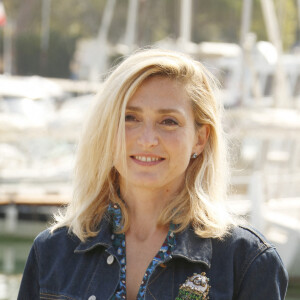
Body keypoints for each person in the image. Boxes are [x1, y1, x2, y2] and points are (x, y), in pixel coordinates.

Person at [18, 49, 288, 300]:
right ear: (107, 130)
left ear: (200, 138)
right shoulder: (52, 251)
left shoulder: (246, 261)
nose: (147, 139)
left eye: (169, 121)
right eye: (130, 118)